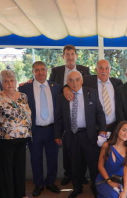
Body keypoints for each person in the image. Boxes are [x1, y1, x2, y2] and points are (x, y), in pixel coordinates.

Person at [54, 71, 107, 198]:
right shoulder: (62, 97)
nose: (75, 83)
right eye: (71, 80)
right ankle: (77, 188)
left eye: (77, 79)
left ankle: (95, 187)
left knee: (93, 164)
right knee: (75, 164)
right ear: (67, 83)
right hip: (72, 135)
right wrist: (57, 135)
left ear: (82, 81)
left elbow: (100, 112)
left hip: (89, 134)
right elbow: (59, 118)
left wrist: (103, 129)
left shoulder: (92, 92)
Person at [48, 44, 90, 187]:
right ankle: (68, 175)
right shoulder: (56, 71)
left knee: (83, 151)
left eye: (72, 54)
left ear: (76, 56)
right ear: (63, 56)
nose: (70, 57)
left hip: (81, 115)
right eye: (67, 54)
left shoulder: (84, 70)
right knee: (67, 150)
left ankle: (81, 176)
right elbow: (50, 87)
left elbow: (89, 88)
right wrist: (65, 88)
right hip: (66, 115)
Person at [0, 70, 32, 198]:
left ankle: (20, 193)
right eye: (6, 81)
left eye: (12, 80)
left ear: (15, 81)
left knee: (19, 166)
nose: (9, 83)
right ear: (2, 82)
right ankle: (7, 197)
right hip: (4, 139)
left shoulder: (23, 96)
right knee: (6, 168)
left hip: (22, 137)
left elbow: (27, 115)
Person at [18, 61, 61, 197]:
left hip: (52, 129)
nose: (40, 72)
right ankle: (38, 184)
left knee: (52, 157)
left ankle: (50, 182)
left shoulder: (56, 87)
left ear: (47, 71)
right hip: (35, 130)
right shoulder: (25, 89)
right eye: (37, 70)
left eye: (43, 69)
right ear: (33, 72)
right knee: (35, 159)